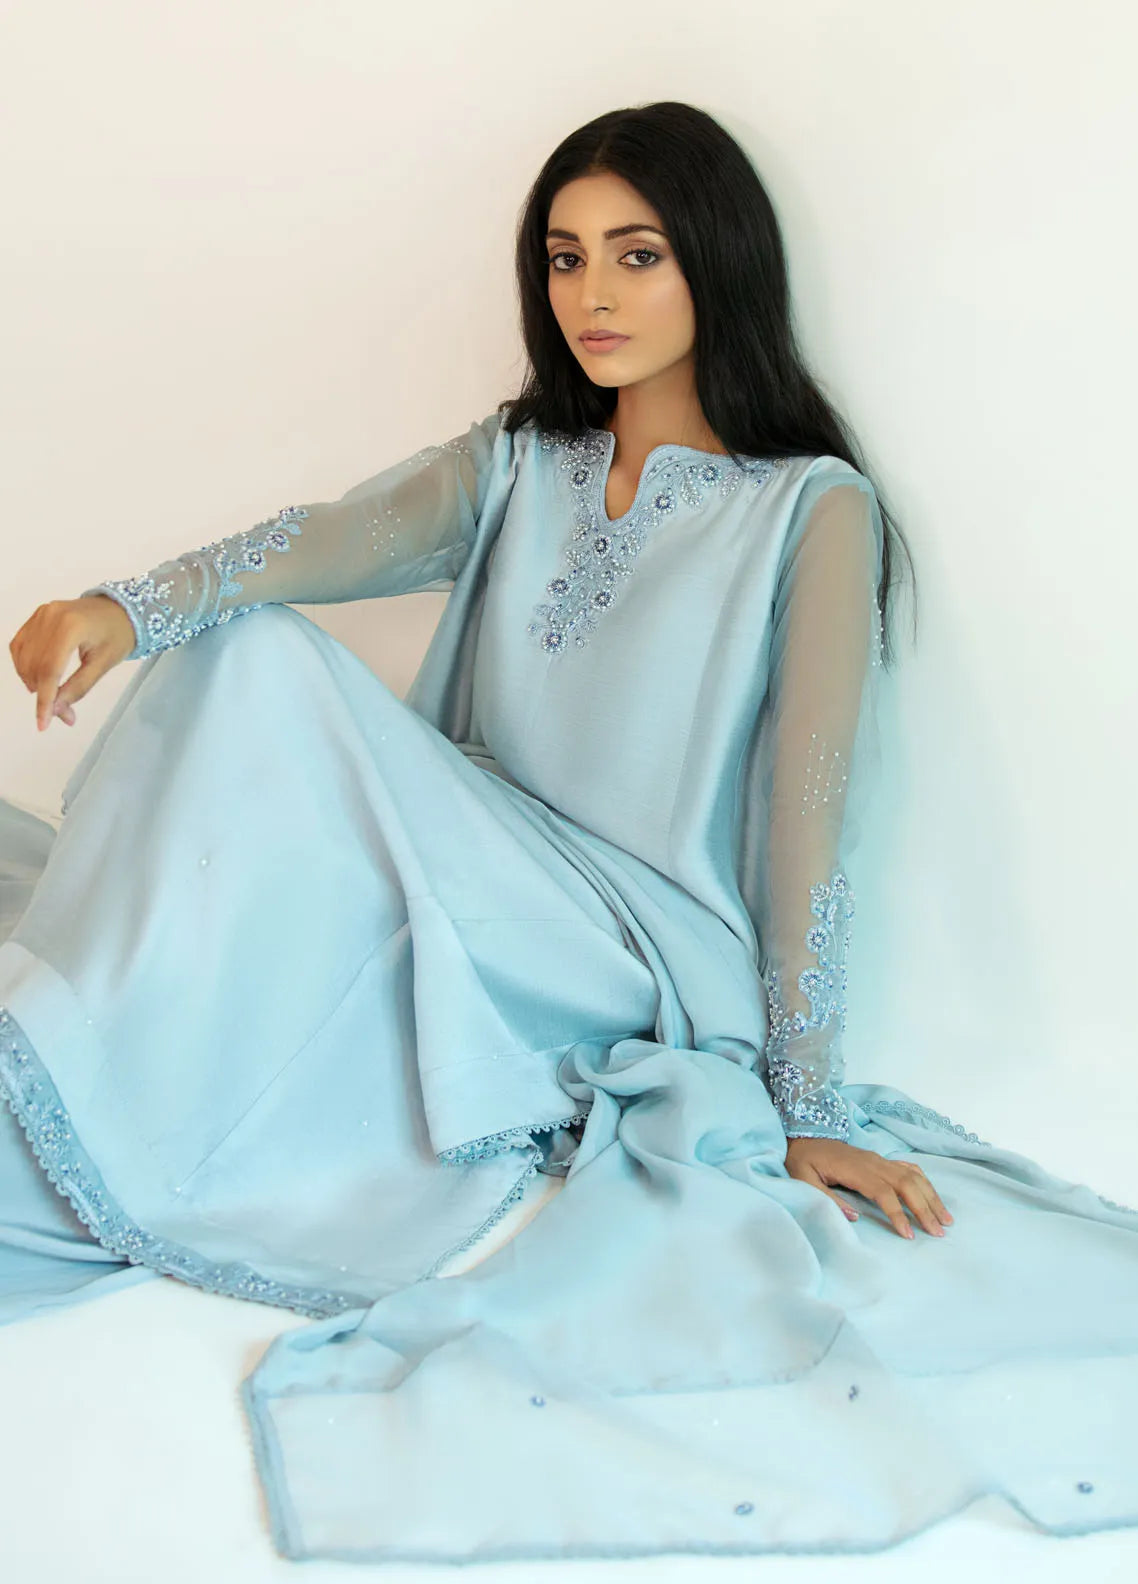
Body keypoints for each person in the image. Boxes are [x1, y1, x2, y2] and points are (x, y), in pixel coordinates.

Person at [2, 101, 1135, 1565]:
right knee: (239, 645)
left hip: (630, 941)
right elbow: (330, 537)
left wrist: (804, 1101)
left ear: (716, 262)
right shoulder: (520, 461)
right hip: (472, 865)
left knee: (268, 668)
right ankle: (86, 1042)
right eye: (564, 257)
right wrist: (127, 606)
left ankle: (83, 1054)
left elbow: (807, 816)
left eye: (637, 255)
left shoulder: (811, 511)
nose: (591, 295)